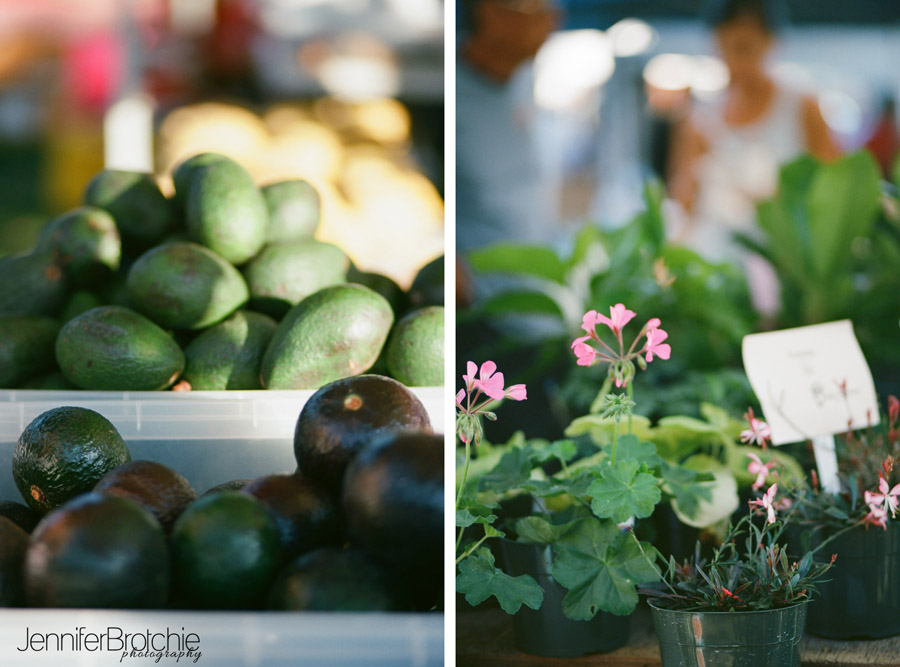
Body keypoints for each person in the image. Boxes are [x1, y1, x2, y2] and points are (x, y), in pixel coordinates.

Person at [667, 0, 840, 311]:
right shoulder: (700, 121)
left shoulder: (802, 107)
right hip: (715, 271)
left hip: (788, 270)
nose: (736, 61)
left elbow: (834, 193)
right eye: (726, 47)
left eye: (746, 48)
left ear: (770, 42)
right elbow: (684, 204)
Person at [456, 0, 559, 258]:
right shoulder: (454, 92)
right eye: (535, 7)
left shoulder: (524, 81)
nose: (552, 19)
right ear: (489, 11)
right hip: (475, 291)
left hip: (528, 283)